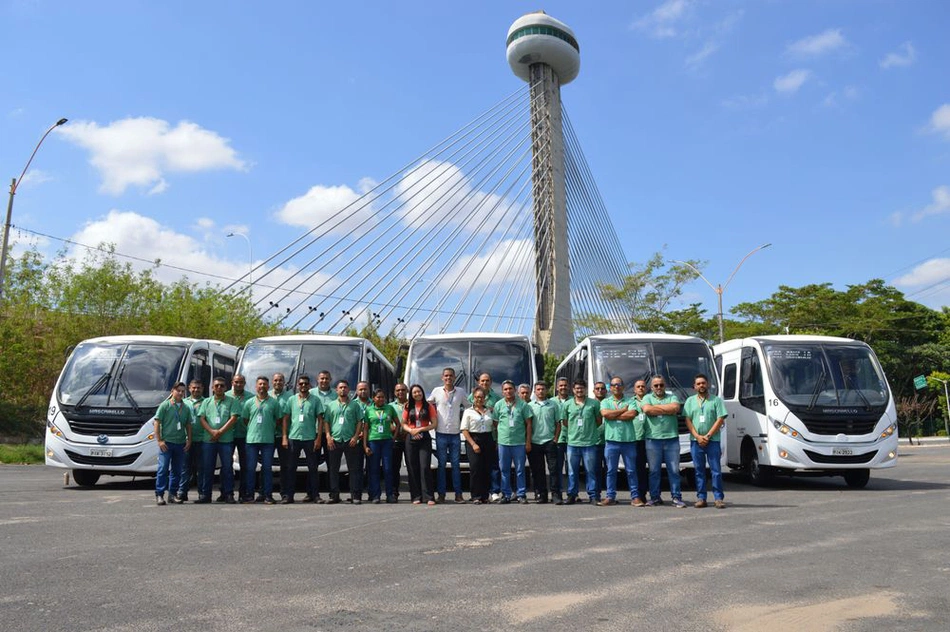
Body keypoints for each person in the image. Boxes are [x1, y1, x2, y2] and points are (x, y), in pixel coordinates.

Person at [684, 373, 728, 509]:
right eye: (698, 384)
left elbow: (720, 419)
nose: (701, 385)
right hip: (696, 441)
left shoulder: (716, 400)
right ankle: (701, 498)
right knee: (699, 471)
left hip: (712, 441)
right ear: (694, 386)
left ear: (707, 384)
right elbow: (687, 420)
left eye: (703, 383)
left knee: (716, 470)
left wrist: (707, 436)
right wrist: (697, 436)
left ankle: (718, 498)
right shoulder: (690, 401)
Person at [642, 375, 685, 508]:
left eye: (661, 385)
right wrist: (667, 410)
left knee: (674, 470)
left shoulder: (672, 396)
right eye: (656, 385)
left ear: (664, 386)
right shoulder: (647, 397)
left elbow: (676, 408)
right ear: (651, 387)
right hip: (653, 439)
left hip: (671, 439)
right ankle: (655, 498)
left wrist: (656, 410)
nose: (659, 387)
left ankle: (676, 497)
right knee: (654, 471)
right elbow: (647, 410)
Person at [599, 378, 642, 506]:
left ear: (623, 387)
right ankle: (610, 496)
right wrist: (623, 410)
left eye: (619, 384)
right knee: (611, 470)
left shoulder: (631, 401)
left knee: (631, 470)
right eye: (613, 385)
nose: (616, 387)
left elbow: (632, 414)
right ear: (610, 388)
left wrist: (614, 415)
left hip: (628, 441)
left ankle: (635, 497)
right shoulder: (605, 401)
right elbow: (606, 414)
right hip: (611, 441)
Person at [282, 375, 324, 504]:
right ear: (298, 386)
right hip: (293, 437)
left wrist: (318, 438)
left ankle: (315, 495)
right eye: (301, 384)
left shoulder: (315, 400)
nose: (303, 386)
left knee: (313, 468)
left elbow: (321, 420)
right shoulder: (291, 400)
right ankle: (289, 496)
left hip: (310, 438)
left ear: (309, 385)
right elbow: (285, 418)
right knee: (291, 468)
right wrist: (284, 437)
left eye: (306, 384)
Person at [429, 367, 468, 504]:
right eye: (446, 376)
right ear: (442, 377)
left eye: (451, 376)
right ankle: (441, 494)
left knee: (456, 465)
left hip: (455, 433)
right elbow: (427, 405)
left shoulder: (461, 392)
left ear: (454, 377)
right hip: (440, 433)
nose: (448, 378)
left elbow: (469, 406)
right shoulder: (436, 391)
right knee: (441, 465)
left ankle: (458, 494)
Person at [324, 380, 365, 504]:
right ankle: (334, 495)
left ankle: (355, 495)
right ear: (336, 390)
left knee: (354, 469)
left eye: (345, 387)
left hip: (350, 440)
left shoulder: (355, 405)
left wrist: (356, 436)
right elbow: (326, 421)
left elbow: (360, 421)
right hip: (335, 440)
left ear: (349, 390)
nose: (343, 389)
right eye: (340, 387)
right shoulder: (331, 405)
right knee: (333, 469)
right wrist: (328, 436)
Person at [242, 376, 282, 504]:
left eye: (265, 384)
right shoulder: (249, 402)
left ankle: (268, 495)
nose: (262, 386)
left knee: (267, 468)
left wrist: (269, 427)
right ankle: (249, 495)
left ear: (268, 387)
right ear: (256, 386)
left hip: (268, 440)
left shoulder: (274, 403)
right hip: (252, 440)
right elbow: (245, 420)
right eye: (260, 384)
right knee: (250, 468)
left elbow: (279, 419)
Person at [199, 377, 239, 503]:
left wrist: (220, 432)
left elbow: (233, 419)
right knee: (207, 468)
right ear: (212, 388)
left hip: (226, 440)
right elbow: (202, 418)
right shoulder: (206, 402)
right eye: (216, 386)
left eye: (222, 386)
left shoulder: (232, 401)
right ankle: (206, 495)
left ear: (226, 388)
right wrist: (212, 431)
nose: (219, 388)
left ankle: (228, 494)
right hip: (209, 439)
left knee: (227, 468)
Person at [153, 382, 193, 505]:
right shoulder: (165, 406)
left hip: (180, 443)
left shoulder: (186, 407)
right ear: (172, 391)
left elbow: (188, 425)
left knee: (177, 470)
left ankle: (173, 494)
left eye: (183, 391)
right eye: (178, 391)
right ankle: (159, 494)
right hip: (167, 443)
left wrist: (189, 440)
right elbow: (157, 423)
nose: (181, 393)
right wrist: (159, 440)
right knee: (163, 469)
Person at [494, 380, 533, 504]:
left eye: (510, 389)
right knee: (504, 470)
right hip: (503, 443)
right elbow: (495, 423)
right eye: (505, 389)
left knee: (520, 470)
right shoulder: (498, 405)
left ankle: (521, 494)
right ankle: (506, 494)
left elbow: (528, 424)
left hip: (519, 443)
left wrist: (528, 442)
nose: (508, 391)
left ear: (515, 390)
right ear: (502, 391)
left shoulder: (523, 405)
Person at [563, 380, 602, 505]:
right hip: (573, 443)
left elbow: (598, 421)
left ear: (585, 389)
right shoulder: (567, 404)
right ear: (573, 390)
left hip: (589, 443)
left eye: (582, 388)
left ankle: (593, 495)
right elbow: (564, 421)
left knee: (590, 471)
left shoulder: (594, 404)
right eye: (577, 388)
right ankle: (572, 495)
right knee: (572, 471)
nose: (579, 390)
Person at [468, 372, 501, 502]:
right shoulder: (471, 397)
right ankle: (479, 493)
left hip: (491, 435)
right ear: (478, 382)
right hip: (475, 436)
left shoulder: (497, 398)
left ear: (491, 382)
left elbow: (498, 418)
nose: (484, 383)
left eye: (487, 381)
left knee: (493, 466)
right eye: (482, 381)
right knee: (478, 467)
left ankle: (494, 492)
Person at [403, 383, 437, 506]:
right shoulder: (408, 406)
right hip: (411, 439)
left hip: (424, 438)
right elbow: (403, 423)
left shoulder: (429, 406)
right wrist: (411, 431)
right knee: (413, 467)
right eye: (414, 392)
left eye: (419, 391)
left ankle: (428, 496)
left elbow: (434, 424)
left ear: (422, 392)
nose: (417, 394)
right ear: (411, 395)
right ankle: (416, 496)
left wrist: (421, 429)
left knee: (424, 467)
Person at [363, 388, 399, 503]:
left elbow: (398, 423)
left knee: (388, 469)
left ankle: (389, 495)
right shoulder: (369, 410)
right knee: (374, 469)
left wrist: (393, 437)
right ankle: (375, 495)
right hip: (373, 441)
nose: (381, 399)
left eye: (382, 397)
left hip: (386, 442)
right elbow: (365, 428)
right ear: (373, 398)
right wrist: (365, 445)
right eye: (378, 397)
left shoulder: (389, 408)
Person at [461, 387, 495, 505]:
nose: (479, 399)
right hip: (473, 439)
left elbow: (495, 425)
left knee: (486, 468)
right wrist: (473, 444)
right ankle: (475, 495)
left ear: (485, 398)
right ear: (473, 398)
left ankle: (485, 496)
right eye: (476, 397)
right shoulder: (468, 411)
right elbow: (464, 430)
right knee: (475, 468)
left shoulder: (490, 410)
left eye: (481, 397)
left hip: (488, 439)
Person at [527, 381, 560, 504]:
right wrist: (528, 441)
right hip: (535, 442)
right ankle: (542, 494)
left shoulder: (553, 405)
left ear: (547, 391)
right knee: (537, 470)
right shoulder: (530, 406)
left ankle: (556, 494)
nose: (540, 391)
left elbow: (558, 423)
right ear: (534, 392)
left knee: (553, 470)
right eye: (538, 389)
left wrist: (555, 439)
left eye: (543, 389)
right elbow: (527, 425)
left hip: (549, 441)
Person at [227, 375, 254, 503]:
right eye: (236, 382)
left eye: (241, 382)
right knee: (227, 466)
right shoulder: (226, 395)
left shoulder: (251, 397)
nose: (238, 384)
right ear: (232, 382)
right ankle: (226, 492)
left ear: (244, 383)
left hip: (245, 436)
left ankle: (243, 493)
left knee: (245, 466)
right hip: (228, 436)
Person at [270, 373, 294, 504]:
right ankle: (264, 493)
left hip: (284, 436)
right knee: (266, 466)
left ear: (284, 382)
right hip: (268, 435)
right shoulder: (267, 396)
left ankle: (285, 494)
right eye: (275, 380)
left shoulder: (290, 397)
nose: (278, 382)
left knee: (285, 466)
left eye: (280, 380)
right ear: (272, 382)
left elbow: (288, 417)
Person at [182, 379, 205, 502]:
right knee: (185, 468)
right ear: (189, 389)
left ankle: (202, 493)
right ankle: (182, 492)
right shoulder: (183, 402)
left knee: (202, 468)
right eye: (194, 388)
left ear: (203, 389)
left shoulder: (207, 402)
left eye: (199, 388)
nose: (196, 390)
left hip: (202, 439)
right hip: (186, 440)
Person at [629, 380, 651, 506]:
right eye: (638, 387)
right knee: (638, 469)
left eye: (643, 386)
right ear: (634, 389)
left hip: (650, 437)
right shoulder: (631, 401)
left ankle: (653, 495)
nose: (641, 388)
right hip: (636, 439)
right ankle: (639, 495)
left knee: (652, 469)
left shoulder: (650, 400)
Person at [390, 383, 410, 502]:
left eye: (403, 390)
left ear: (407, 391)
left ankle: (415, 492)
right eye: (398, 390)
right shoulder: (390, 406)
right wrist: (394, 429)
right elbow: (387, 420)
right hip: (395, 439)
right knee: (394, 468)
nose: (400, 392)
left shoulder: (412, 404)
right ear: (394, 392)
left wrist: (407, 432)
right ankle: (394, 493)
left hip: (409, 440)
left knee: (412, 467)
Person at [553, 377, 571, 504]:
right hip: (558, 440)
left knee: (571, 468)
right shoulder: (551, 402)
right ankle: (558, 493)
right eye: (561, 386)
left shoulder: (574, 400)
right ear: (556, 388)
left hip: (572, 439)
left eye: (565, 385)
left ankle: (571, 493)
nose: (563, 387)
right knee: (557, 468)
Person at [593, 381, 608, 499]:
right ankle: (596, 494)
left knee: (610, 470)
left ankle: (609, 495)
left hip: (609, 441)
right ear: (593, 391)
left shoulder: (609, 403)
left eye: (602, 388)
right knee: (595, 470)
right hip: (595, 442)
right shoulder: (590, 404)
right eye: (597, 389)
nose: (600, 390)